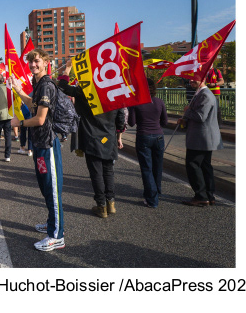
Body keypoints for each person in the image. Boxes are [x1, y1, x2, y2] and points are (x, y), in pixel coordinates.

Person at [58, 60, 126, 217]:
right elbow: (121, 117)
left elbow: (62, 87)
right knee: (108, 170)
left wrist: (67, 70)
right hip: (107, 138)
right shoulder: (113, 91)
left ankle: (101, 206)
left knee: (96, 172)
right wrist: (118, 135)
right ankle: (111, 203)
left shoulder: (87, 90)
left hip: (92, 138)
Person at [13, 49, 65, 251]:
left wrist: (20, 122)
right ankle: (53, 223)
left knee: (52, 190)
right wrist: (19, 91)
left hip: (48, 145)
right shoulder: (39, 85)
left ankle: (56, 236)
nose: (32, 65)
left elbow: (40, 119)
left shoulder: (46, 85)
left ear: (45, 62)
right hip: (39, 144)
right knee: (46, 188)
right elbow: (34, 105)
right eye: (30, 62)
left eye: (36, 61)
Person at [128, 77, 168, 207]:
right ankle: (157, 191)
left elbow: (132, 123)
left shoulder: (137, 103)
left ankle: (151, 199)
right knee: (157, 167)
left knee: (146, 168)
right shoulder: (159, 102)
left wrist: (131, 109)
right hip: (159, 136)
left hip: (143, 136)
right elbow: (165, 122)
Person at [182, 77, 221, 206]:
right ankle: (209, 195)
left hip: (201, 138)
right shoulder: (201, 94)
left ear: (203, 79)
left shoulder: (205, 95)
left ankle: (201, 196)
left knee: (193, 165)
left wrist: (187, 112)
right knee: (205, 166)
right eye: (190, 80)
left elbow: (200, 116)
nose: (190, 82)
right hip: (203, 137)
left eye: (194, 80)